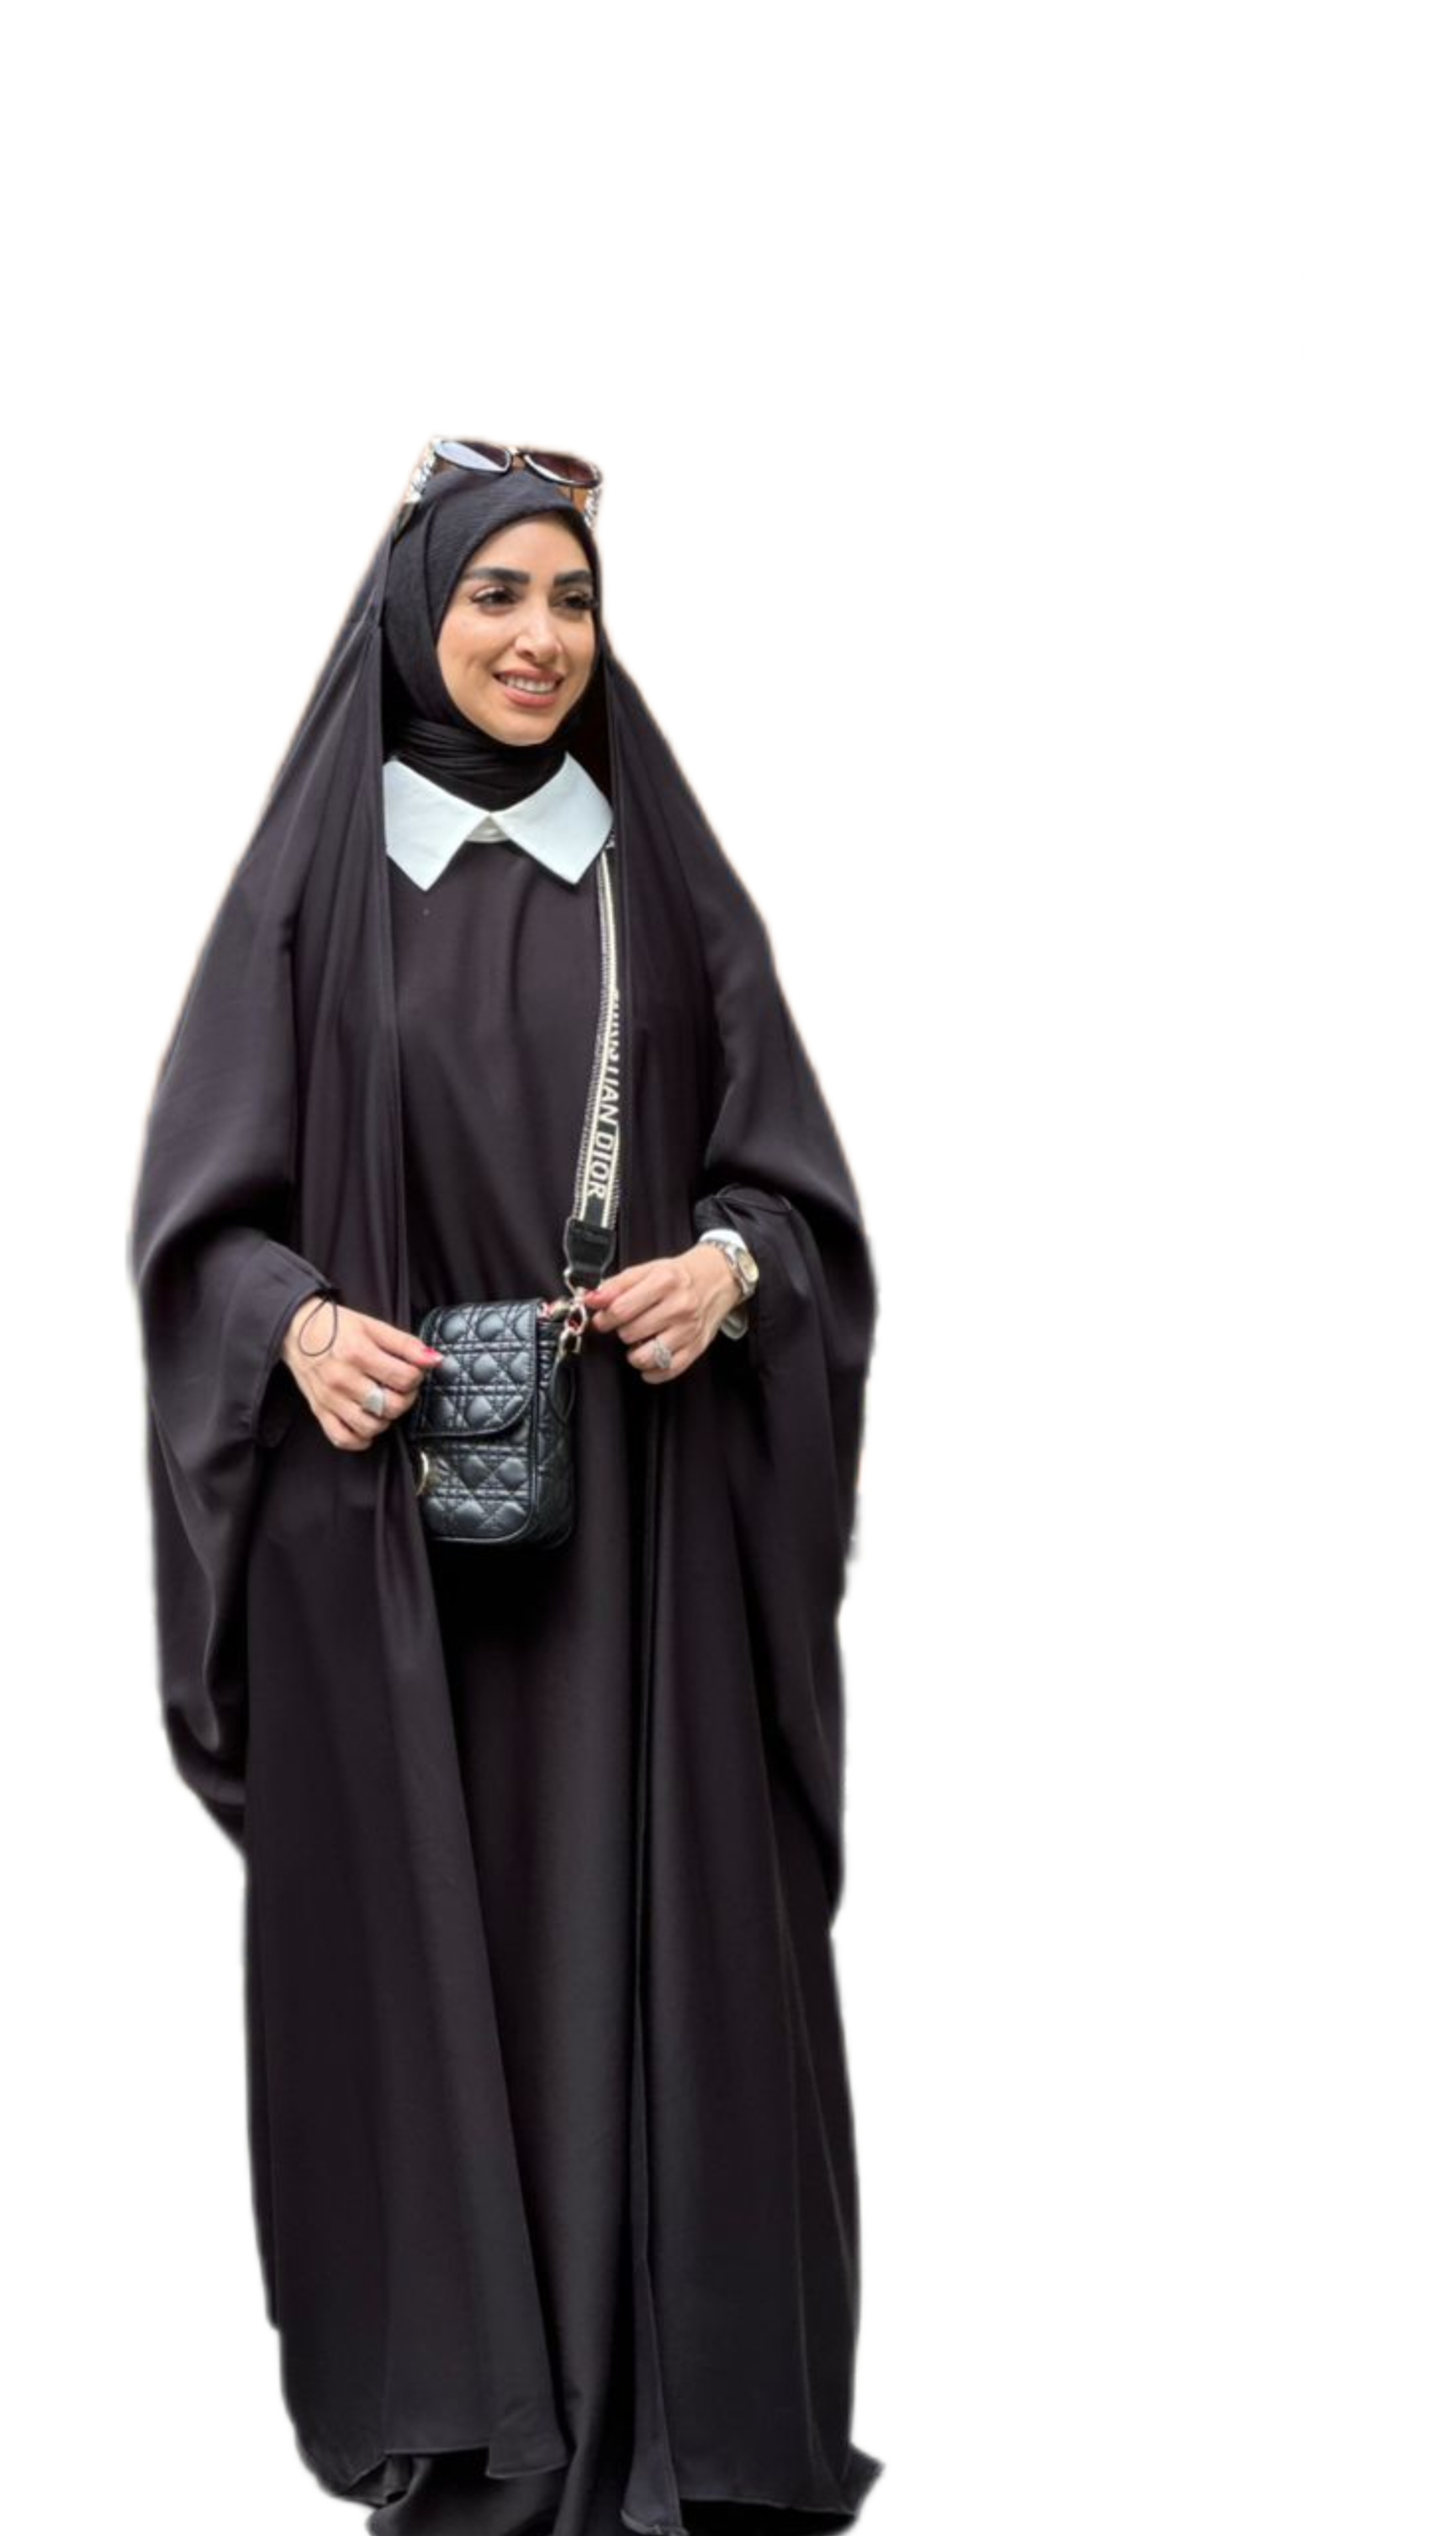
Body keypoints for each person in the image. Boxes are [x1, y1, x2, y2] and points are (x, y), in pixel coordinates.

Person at [129, 443, 884, 2534]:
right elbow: (199, 1230)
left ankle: (663, 2429)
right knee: (429, 1961)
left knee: (650, 1956)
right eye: (497, 596)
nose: (540, 638)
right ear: (414, 615)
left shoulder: (658, 880)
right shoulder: (313, 896)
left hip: (641, 1543)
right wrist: (295, 1325)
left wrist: (729, 1271)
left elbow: (796, 1196)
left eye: (571, 598)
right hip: (386, 1557)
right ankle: (471, 2428)